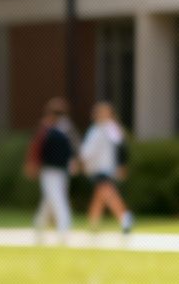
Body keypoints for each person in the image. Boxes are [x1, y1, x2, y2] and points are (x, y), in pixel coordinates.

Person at [26, 98, 77, 243]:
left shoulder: (59, 129)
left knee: (53, 199)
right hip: (51, 170)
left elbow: (37, 149)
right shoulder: (50, 129)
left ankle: (48, 227)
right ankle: (59, 228)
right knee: (54, 198)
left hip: (57, 170)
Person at [80, 100, 134, 234]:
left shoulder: (111, 128)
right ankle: (93, 223)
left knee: (107, 192)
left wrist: (122, 165)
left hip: (105, 167)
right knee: (100, 195)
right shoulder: (95, 129)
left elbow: (121, 147)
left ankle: (125, 217)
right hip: (95, 167)